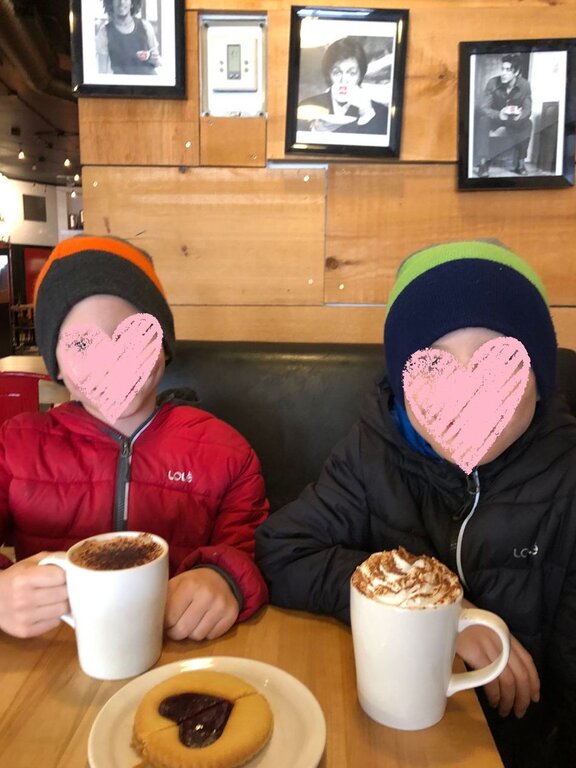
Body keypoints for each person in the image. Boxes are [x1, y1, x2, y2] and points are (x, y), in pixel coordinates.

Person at [255, 240, 576, 768]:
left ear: (540, 382)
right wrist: (439, 614)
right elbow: (283, 549)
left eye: (499, 366)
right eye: (433, 368)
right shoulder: (372, 450)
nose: (468, 395)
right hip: (380, 725)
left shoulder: (566, 476)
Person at [0, 235, 269, 642]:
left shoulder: (226, 453)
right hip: (52, 661)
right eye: (82, 345)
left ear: (163, 346)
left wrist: (224, 578)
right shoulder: (16, 447)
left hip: (178, 656)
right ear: (57, 368)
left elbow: (254, 549)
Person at [297, 37, 389, 136]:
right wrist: (315, 131)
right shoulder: (307, 106)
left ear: (360, 75)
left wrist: (366, 114)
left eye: (352, 73)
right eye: (337, 72)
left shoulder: (380, 112)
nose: (344, 80)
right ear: (328, 74)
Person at [474, 54, 533, 177]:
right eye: (502, 69)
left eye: (508, 70)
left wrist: (520, 115)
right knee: (483, 120)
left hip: (514, 119)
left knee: (528, 123)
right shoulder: (492, 83)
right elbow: (484, 107)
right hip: (497, 118)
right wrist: (498, 114)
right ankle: (483, 164)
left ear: (516, 72)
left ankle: (520, 164)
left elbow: (528, 109)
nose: (503, 73)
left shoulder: (525, 85)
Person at [96, 0, 161, 75]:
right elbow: (102, 73)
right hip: (122, 85)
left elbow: (157, 62)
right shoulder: (104, 32)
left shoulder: (145, 26)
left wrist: (154, 59)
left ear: (132, 2)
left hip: (149, 83)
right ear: (110, 3)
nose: (122, 2)